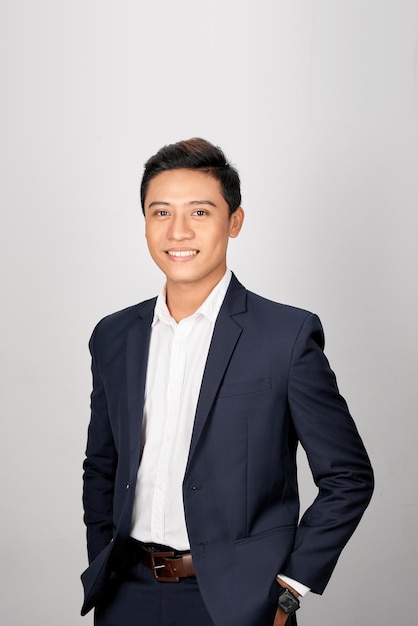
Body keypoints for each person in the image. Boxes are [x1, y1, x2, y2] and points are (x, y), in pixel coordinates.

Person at [81, 138, 374, 626]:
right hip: (125, 594)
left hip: (238, 603)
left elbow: (348, 476)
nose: (178, 231)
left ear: (234, 221)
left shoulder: (286, 336)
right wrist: (102, 558)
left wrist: (289, 588)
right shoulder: (114, 336)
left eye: (199, 212)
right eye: (160, 213)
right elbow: (102, 465)